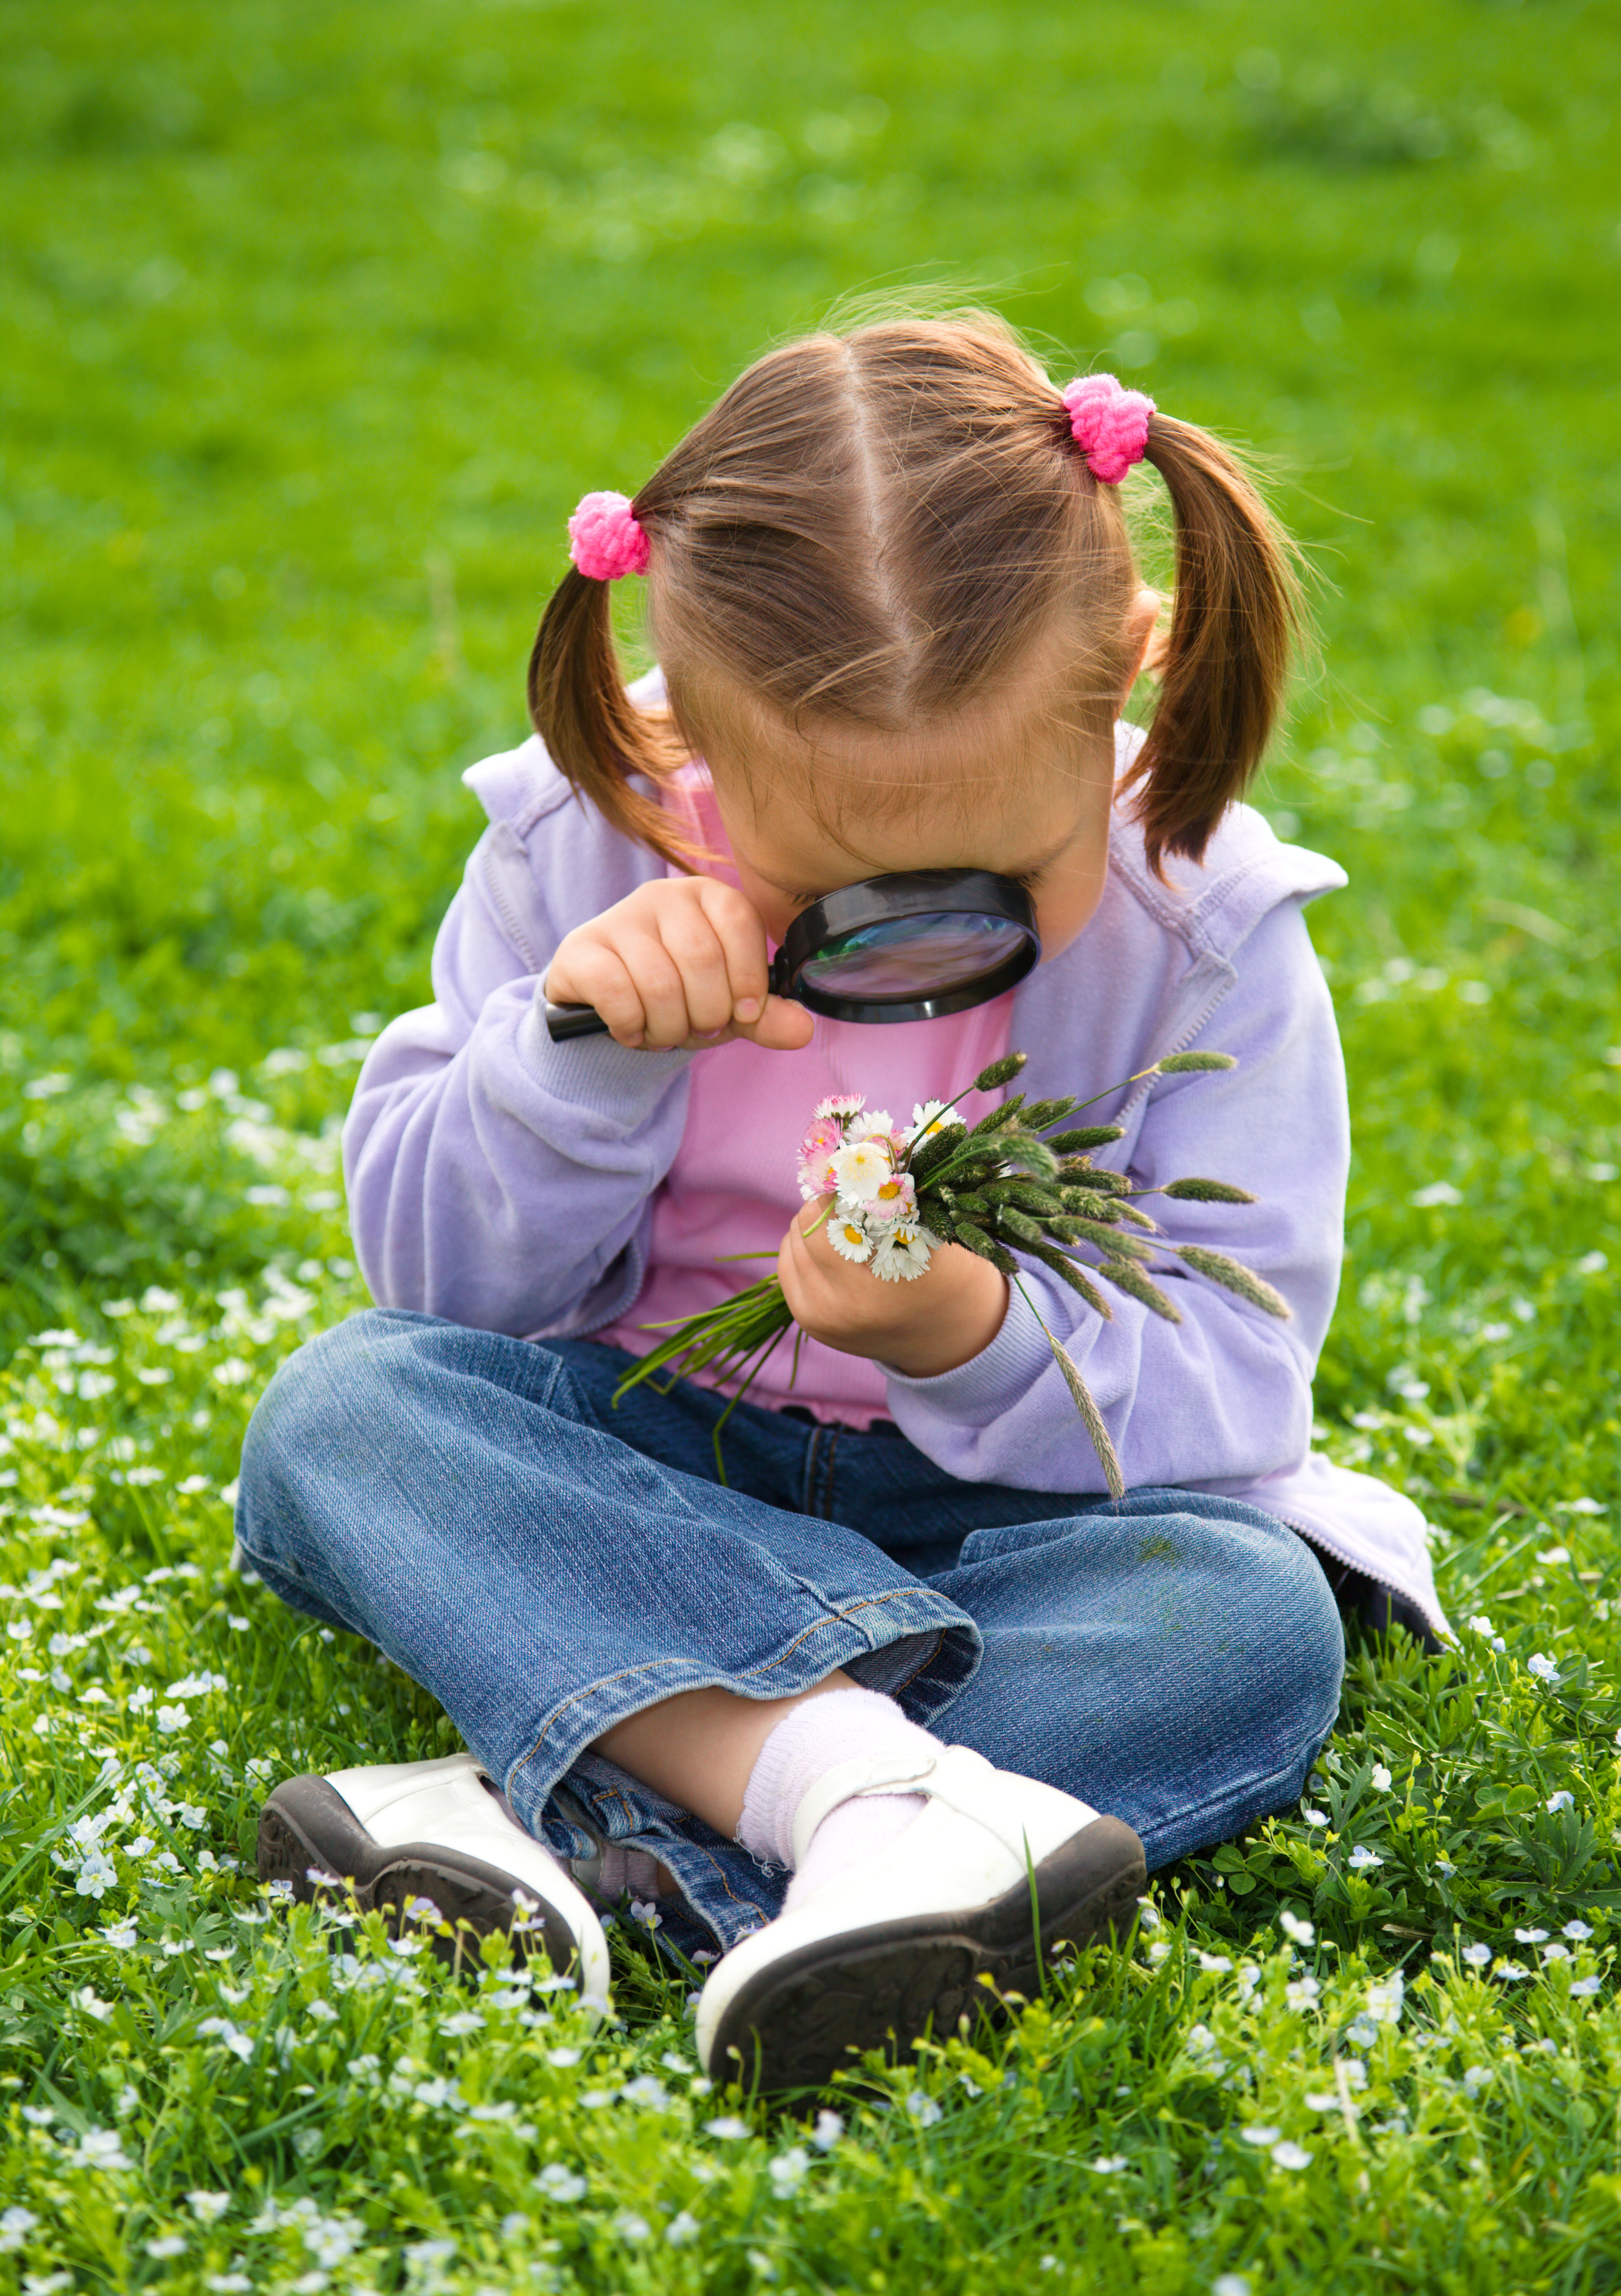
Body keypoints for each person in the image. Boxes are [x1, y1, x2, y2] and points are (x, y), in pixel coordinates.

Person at [236, 310, 1446, 2093]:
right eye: (819, 891)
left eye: (988, 887)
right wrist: (574, 1053)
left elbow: (1239, 1372)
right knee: (343, 1409)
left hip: (1004, 1532)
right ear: (686, 723)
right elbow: (437, 1282)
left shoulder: (1206, 921)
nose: (912, 952)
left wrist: (972, 1328)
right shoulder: (584, 836)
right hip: (653, 1448)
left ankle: (563, 1817)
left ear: (1133, 665)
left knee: (1248, 1618)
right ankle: (869, 1811)